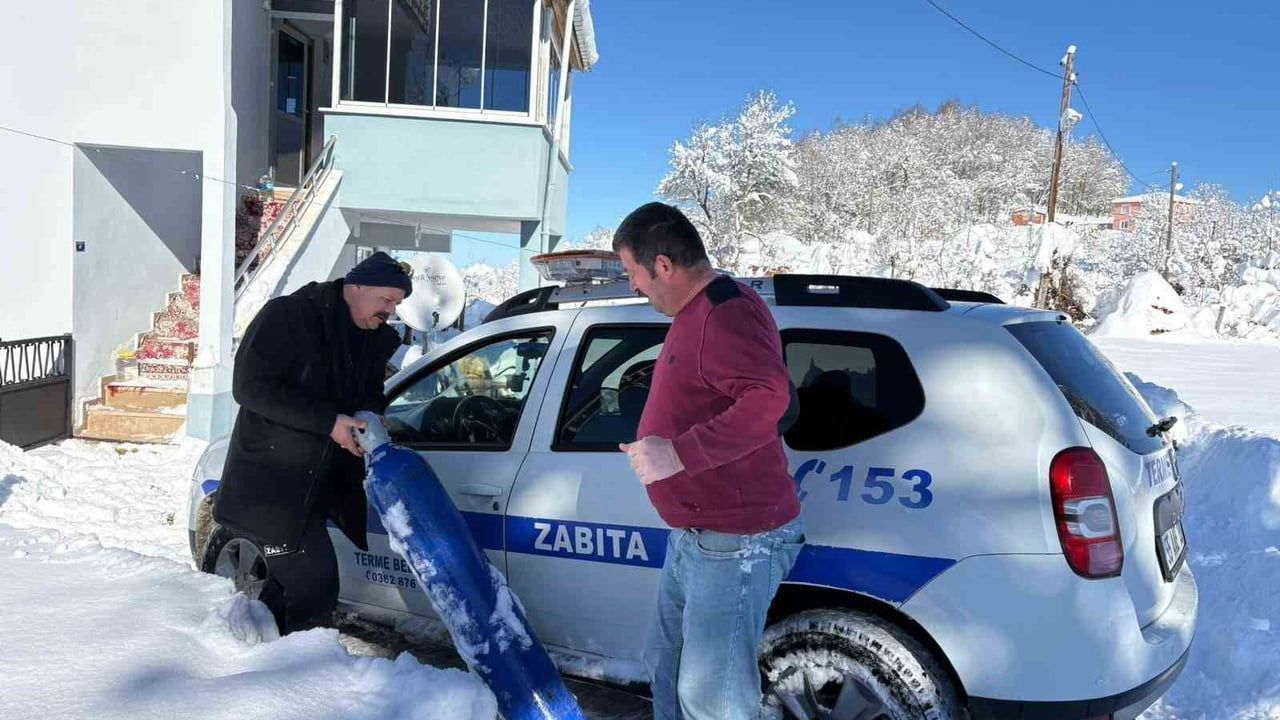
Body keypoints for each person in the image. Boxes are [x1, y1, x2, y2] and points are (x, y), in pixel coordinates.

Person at [614, 203, 805, 720]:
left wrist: (677, 453)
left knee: (712, 698)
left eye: (633, 272)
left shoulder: (727, 311)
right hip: (699, 533)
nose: (634, 286)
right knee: (667, 664)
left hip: (735, 537)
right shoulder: (699, 310)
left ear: (665, 265)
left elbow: (769, 398)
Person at [212, 251, 411, 633]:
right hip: (271, 488)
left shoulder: (371, 338)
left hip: (317, 490)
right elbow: (250, 388)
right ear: (356, 286)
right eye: (386, 299)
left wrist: (369, 416)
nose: (391, 310)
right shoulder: (289, 316)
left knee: (285, 591)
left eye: (397, 303)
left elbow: (369, 392)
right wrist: (328, 422)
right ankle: (300, 678)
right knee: (315, 588)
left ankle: (256, 660)